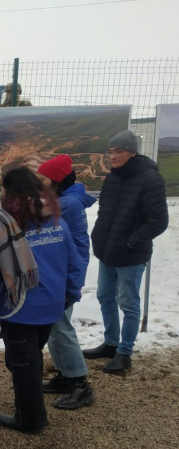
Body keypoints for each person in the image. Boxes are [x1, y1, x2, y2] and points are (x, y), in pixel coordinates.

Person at [0, 167, 84, 434]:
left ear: (9, 193)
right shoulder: (57, 222)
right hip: (52, 306)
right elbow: (73, 263)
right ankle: (27, 410)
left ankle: (30, 419)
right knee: (29, 359)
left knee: (22, 364)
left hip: (20, 308)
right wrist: (70, 294)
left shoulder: (3, 227)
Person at [84, 130, 169, 374]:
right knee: (105, 297)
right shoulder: (113, 178)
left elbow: (158, 222)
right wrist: (99, 238)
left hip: (131, 255)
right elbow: (105, 213)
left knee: (129, 304)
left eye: (118, 151)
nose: (113, 156)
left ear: (133, 152)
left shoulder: (151, 180)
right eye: (110, 151)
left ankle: (125, 353)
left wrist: (131, 242)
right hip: (107, 252)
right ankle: (111, 343)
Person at [36, 155, 96, 409]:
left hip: (63, 275)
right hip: (60, 273)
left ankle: (80, 384)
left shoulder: (68, 203)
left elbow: (39, 222)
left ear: (57, 180)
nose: (41, 185)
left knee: (60, 327)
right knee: (55, 326)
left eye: (44, 179)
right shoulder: (66, 199)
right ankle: (65, 375)